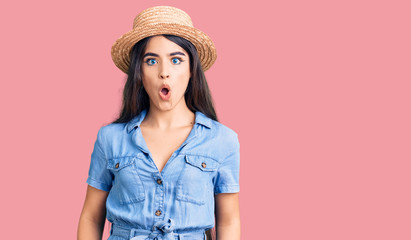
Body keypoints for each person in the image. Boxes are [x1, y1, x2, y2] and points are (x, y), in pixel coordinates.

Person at [77, 6, 240, 240]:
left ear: (192, 69)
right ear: (139, 72)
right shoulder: (110, 138)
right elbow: (91, 217)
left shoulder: (223, 140)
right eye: (151, 61)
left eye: (176, 60)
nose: (164, 72)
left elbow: (229, 220)